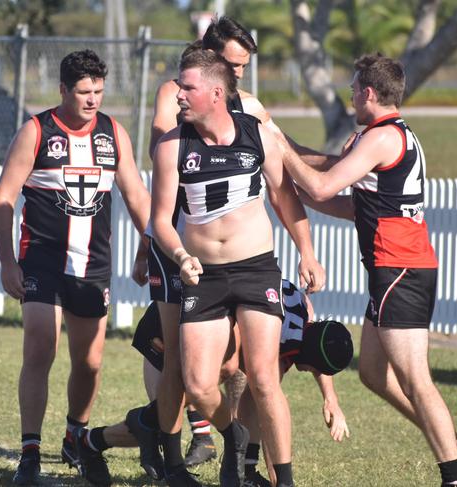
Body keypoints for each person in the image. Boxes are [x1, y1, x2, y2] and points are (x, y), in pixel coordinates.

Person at [280, 53, 457, 487]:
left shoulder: (382, 138)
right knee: (373, 374)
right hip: (392, 271)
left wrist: (282, 153)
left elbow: (320, 182)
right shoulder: (377, 137)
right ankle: (456, 445)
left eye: (354, 88)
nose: (350, 95)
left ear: (368, 93)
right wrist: (282, 150)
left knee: (415, 380)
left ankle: (455, 475)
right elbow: (338, 194)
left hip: (401, 271)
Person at [151, 49, 324, 487]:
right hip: (202, 274)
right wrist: (180, 255)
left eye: (186, 88)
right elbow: (159, 220)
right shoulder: (172, 146)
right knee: (198, 383)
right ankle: (234, 434)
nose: (178, 97)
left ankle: (283, 480)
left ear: (214, 93)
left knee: (263, 378)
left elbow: (286, 198)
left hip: (255, 271)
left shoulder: (258, 136)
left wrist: (307, 251)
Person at [0, 49, 150, 486]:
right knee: (41, 347)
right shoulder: (36, 131)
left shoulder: (113, 133)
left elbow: (137, 194)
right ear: (63, 89)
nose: (92, 99)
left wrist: (148, 244)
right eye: (83, 91)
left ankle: (74, 435)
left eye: (99, 91)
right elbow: (4, 198)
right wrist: (8, 263)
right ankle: (29, 453)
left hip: (92, 265)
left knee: (91, 363)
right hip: (42, 259)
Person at [72, 279, 351, 487]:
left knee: (175, 410)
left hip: (200, 320)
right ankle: (94, 440)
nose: (306, 372)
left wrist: (331, 397)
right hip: (171, 325)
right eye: (312, 368)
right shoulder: (281, 338)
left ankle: (97, 440)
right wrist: (281, 478)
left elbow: (263, 399)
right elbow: (268, 412)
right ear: (306, 355)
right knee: (167, 417)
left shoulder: (303, 312)